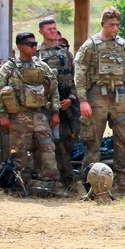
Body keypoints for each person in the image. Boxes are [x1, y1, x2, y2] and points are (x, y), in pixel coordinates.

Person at [74, 7, 125, 194]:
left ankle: (122, 180)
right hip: (97, 95)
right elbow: (79, 73)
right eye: (111, 25)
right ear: (103, 24)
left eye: (117, 25)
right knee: (93, 140)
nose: (115, 28)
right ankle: (92, 183)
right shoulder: (91, 45)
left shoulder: (123, 45)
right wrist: (83, 100)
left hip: (120, 96)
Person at [0, 32, 62, 190]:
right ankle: (22, 183)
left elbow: (53, 87)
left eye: (35, 44)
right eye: (30, 44)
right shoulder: (9, 67)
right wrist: (3, 115)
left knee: (48, 148)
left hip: (39, 114)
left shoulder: (41, 66)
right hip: (18, 116)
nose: (34, 47)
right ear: (20, 47)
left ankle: (52, 182)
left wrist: (55, 111)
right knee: (20, 153)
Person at [37, 17, 79, 189]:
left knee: (69, 142)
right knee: (51, 144)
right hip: (47, 107)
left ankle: (66, 177)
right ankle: (58, 179)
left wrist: (71, 98)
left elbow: (76, 80)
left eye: (54, 28)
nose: (53, 31)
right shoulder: (37, 54)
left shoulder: (66, 54)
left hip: (67, 106)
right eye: (49, 29)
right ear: (41, 32)